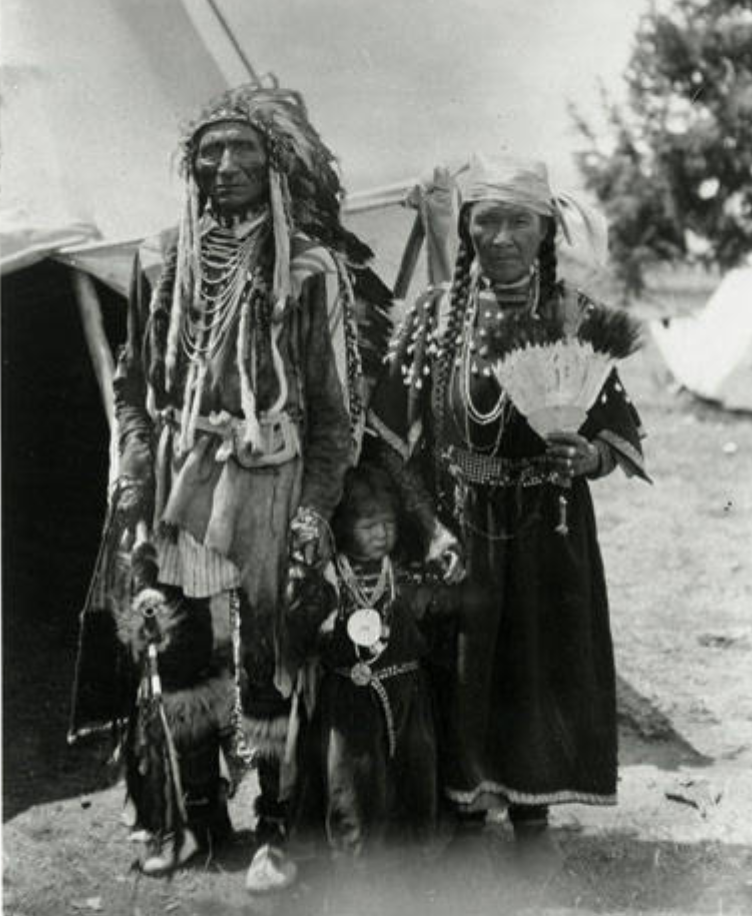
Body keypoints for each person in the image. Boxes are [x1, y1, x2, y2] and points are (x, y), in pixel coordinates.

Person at [106, 81, 386, 887]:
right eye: (209, 153)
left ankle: (275, 830)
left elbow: (336, 413)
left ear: (276, 166)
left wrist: (314, 510)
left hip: (272, 480)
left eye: (244, 152)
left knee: (273, 656)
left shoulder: (309, 270)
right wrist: (134, 471)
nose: (224, 166)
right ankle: (193, 821)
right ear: (190, 168)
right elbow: (134, 387)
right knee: (182, 648)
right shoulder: (162, 260)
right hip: (179, 477)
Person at [368, 153, 650, 852]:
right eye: (485, 220)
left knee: (538, 667)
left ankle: (532, 814)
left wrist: (590, 456)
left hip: (546, 526)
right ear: (464, 229)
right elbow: (388, 439)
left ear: (545, 229)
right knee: (461, 668)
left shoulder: (572, 318)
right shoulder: (434, 318)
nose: (500, 237)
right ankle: (465, 809)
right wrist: (427, 528)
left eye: (517, 220)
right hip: (458, 523)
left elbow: (618, 429)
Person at [291, 463, 454, 860]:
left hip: (406, 698)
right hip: (348, 702)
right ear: (346, 529)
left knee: (412, 768)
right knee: (352, 778)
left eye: (388, 524)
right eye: (370, 527)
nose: (382, 534)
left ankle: (412, 853)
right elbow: (302, 628)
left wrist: (434, 588)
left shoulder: (399, 574)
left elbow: (431, 608)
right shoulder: (330, 579)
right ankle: (356, 861)